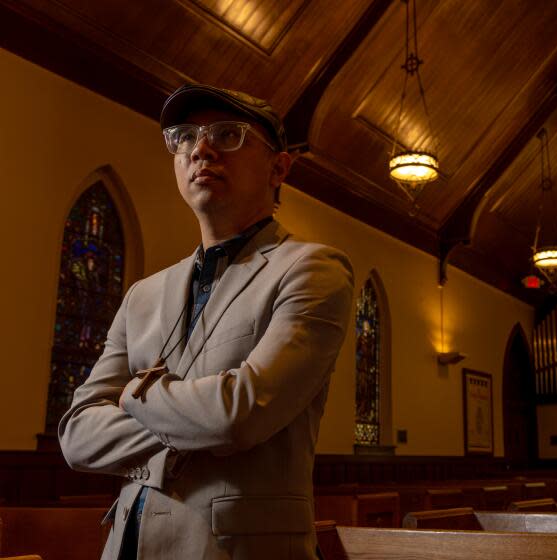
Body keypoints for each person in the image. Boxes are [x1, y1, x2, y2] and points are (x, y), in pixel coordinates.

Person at [58, 84, 354, 560]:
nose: (200, 148)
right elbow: (77, 434)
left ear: (279, 168)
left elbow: (240, 413)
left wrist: (137, 394)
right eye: (184, 136)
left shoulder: (312, 269)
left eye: (228, 134)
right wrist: (196, 425)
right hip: (126, 548)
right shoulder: (143, 295)